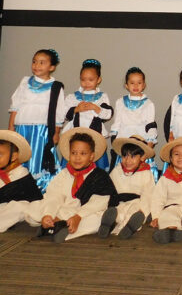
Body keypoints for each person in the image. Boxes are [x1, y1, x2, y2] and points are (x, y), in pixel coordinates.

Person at [26, 128, 116, 243]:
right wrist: (48, 214)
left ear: (91, 156)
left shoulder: (99, 175)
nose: (77, 157)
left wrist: (78, 216)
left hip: (84, 212)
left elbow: (99, 201)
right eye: (74, 153)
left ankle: (58, 228)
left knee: (99, 218)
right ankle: (53, 224)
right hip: (63, 211)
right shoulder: (64, 174)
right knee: (34, 208)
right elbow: (54, 196)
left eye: (83, 153)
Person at [8, 49, 65, 192]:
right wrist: (11, 128)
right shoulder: (25, 82)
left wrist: (56, 132)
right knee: (19, 157)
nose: (36, 65)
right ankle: (18, 186)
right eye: (34, 61)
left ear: (52, 67)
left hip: (41, 131)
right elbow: (16, 106)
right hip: (22, 129)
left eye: (42, 62)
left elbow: (59, 112)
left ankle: (38, 187)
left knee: (37, 158)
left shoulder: (56, 86)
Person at [98, 135, 155, 239]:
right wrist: (110, 204)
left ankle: (130, 227)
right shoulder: (117, 170)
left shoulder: (146, 173)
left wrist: (143, 210)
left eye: (132, 157)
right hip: (119, 202)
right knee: (116, 212)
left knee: (133, 213)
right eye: (125, 156)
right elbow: (109, 188)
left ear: (142, 157)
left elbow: (148, 194)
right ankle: (108, 224)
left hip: (136, 202)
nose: (127, 160)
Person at [62, 59, 113, 171]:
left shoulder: (102, 97)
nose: (87, 83)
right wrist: (76, 109)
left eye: (91, 79)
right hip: (76, 136)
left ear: (98, 80)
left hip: (94, 137)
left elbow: (108, 114)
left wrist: (96, 108)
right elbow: (64, 114)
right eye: (83, 79)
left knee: (95, 164)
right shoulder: (73, 97)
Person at [110, 67, 158, 181]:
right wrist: (115, 143)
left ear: (144, 85)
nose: (136, 86)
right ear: (126, 85)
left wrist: (148, 148)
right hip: (124, 144)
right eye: (132, 83)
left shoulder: (148, 104)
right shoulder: (120, 102)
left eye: (139, 83)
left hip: (140, 145)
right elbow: (117, 124)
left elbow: (151, 126)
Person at [0, 131, 42, 233]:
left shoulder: (21, 172)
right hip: (3, 206)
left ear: (13, 157)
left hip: (24, 208)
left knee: (19, 206)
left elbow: (33, 198)